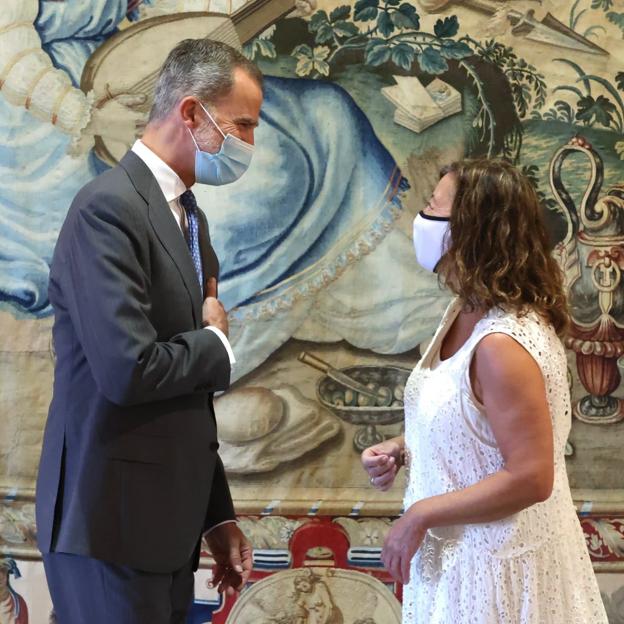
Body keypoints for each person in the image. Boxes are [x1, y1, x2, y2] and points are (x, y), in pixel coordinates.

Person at [35, 38, 263, 623]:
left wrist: (215, 515)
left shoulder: (189, 215)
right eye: (242, 125)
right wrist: (214, 343)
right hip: (110, 524)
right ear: (191, 113)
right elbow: (127, 370)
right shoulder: (107, 209)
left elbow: (182, 396)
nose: (250, 145)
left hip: (162, 528)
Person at [361, 159, 608, 623]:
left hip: (497, 576)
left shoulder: (502, 343)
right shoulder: (462, 309)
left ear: (472, 230)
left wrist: (419, 515)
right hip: (458, 569)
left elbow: (532, 476)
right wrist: (403, 447)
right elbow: (473, 424)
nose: (422, 219)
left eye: (434, 209)